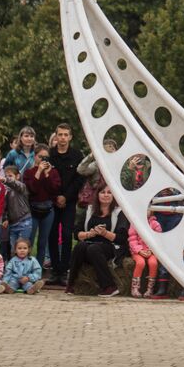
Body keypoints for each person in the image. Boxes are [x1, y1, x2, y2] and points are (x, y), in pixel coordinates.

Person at [65, 185, 128, 297]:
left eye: (109, 193)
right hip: (89, 245)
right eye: (102, 192)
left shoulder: (119, 213)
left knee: (93, 248)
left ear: (114, 196)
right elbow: (76, 234)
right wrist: (90, 234)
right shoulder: (89, 211)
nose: (106, 195)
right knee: (80, 246)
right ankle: (72, 284)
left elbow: (122, 239)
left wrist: (104, 233)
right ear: (97, 195)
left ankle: (109, 286)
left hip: (109, 246)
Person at [47, 123, 84, 281]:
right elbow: (47, 179)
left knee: (68, 234)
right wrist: (56, 197)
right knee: (52, 234)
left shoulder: (77, 155)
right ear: (55, 136)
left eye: (65, 135)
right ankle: (55, 270)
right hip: (52, 202)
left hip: (69, 201)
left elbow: (79, 179)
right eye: (59, 134)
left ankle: (65, 269)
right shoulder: (50, 155)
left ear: (70, 137)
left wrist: (66, 197)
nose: (62, 138)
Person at [24, 146, 62, 272]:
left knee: (42, 242)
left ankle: (38, 270)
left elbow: (54, 189)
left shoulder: (53, 172)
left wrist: (46, 174)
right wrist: (38, 172)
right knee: (29, 240)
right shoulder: (29, 172)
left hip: (48, 210)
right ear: (35, 156)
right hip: (33, 209)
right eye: (40, 157)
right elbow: (32, 189)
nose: (43, 160)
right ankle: (25, 268)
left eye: (46, 157)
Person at [2, 164, 33, 258]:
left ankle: (25, 270)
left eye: (10, 176)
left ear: (18, 176)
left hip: (24, 221)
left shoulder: (21, 186)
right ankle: (14, 270)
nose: (8, 178)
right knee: (13, 249)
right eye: (6, 176)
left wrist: (6, 180)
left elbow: (15, 184)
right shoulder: (6, 190)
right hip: (12, 223)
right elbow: (5, 207)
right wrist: (5, 218)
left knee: (22, 248)